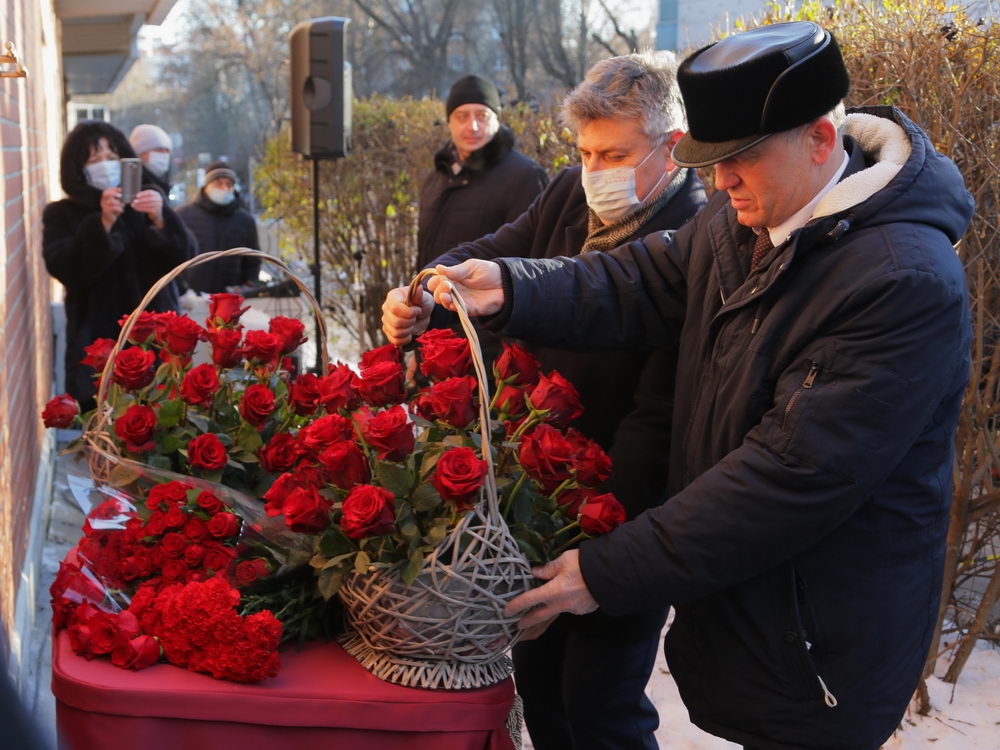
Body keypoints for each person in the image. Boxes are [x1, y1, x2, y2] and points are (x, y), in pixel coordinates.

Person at [385, 21, 974, 750]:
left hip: (823, 640)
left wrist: (604, 569)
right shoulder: (748, 217)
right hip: (750, 611)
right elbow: (633, 281)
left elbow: (785, 480)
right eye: (714, 161)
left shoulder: (900, 280)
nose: (720, 183)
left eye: (742, 160)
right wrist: (506, 285)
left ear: (821, 140)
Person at [384, 51, 706, 750]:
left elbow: (657, 415)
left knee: (602, 703)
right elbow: (494, 254)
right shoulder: (566, 194)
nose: (597, 171)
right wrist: (422, 294)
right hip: (535, 493)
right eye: (587, 151)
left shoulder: (696, 234)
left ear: (672, 147)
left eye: (615, 153)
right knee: (538, 682)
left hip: (621, 510)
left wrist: (601, 541)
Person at [43, 120, 196, 411]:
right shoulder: (62, 214)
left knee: (163, 430)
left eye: (112, 157)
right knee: (103, 435)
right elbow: (65, 269)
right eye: (94, 159)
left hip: (157, 341)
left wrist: (161, 219)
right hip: (98, 348)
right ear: (77, 168)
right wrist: (102, 225)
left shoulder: (145, 202)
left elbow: (184, 260)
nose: (105, 165)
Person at [417, 74, 548, 270]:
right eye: (463, 116)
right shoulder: (437, 176)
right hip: (433, 296)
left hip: (488, 299)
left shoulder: (525, 176)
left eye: (482, 116)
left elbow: (532, 261)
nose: (473, 126)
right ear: (449, 122)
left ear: (497, 119)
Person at [176, 161, 261, 294]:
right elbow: (172, 256)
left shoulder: (245, 221)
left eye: (229, 184)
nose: (224, 188)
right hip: (191, 297)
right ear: (206, 186)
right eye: (219, 183)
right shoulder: (183, 216)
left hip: (228, 297)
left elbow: (253, 262)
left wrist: (248, 287)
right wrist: (181, 290)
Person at [128, 123, 173, 194]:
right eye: (158, 150)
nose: (164, 156)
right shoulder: (129, 190)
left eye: (167, 151)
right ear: (139, 154)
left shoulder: (165, 186)